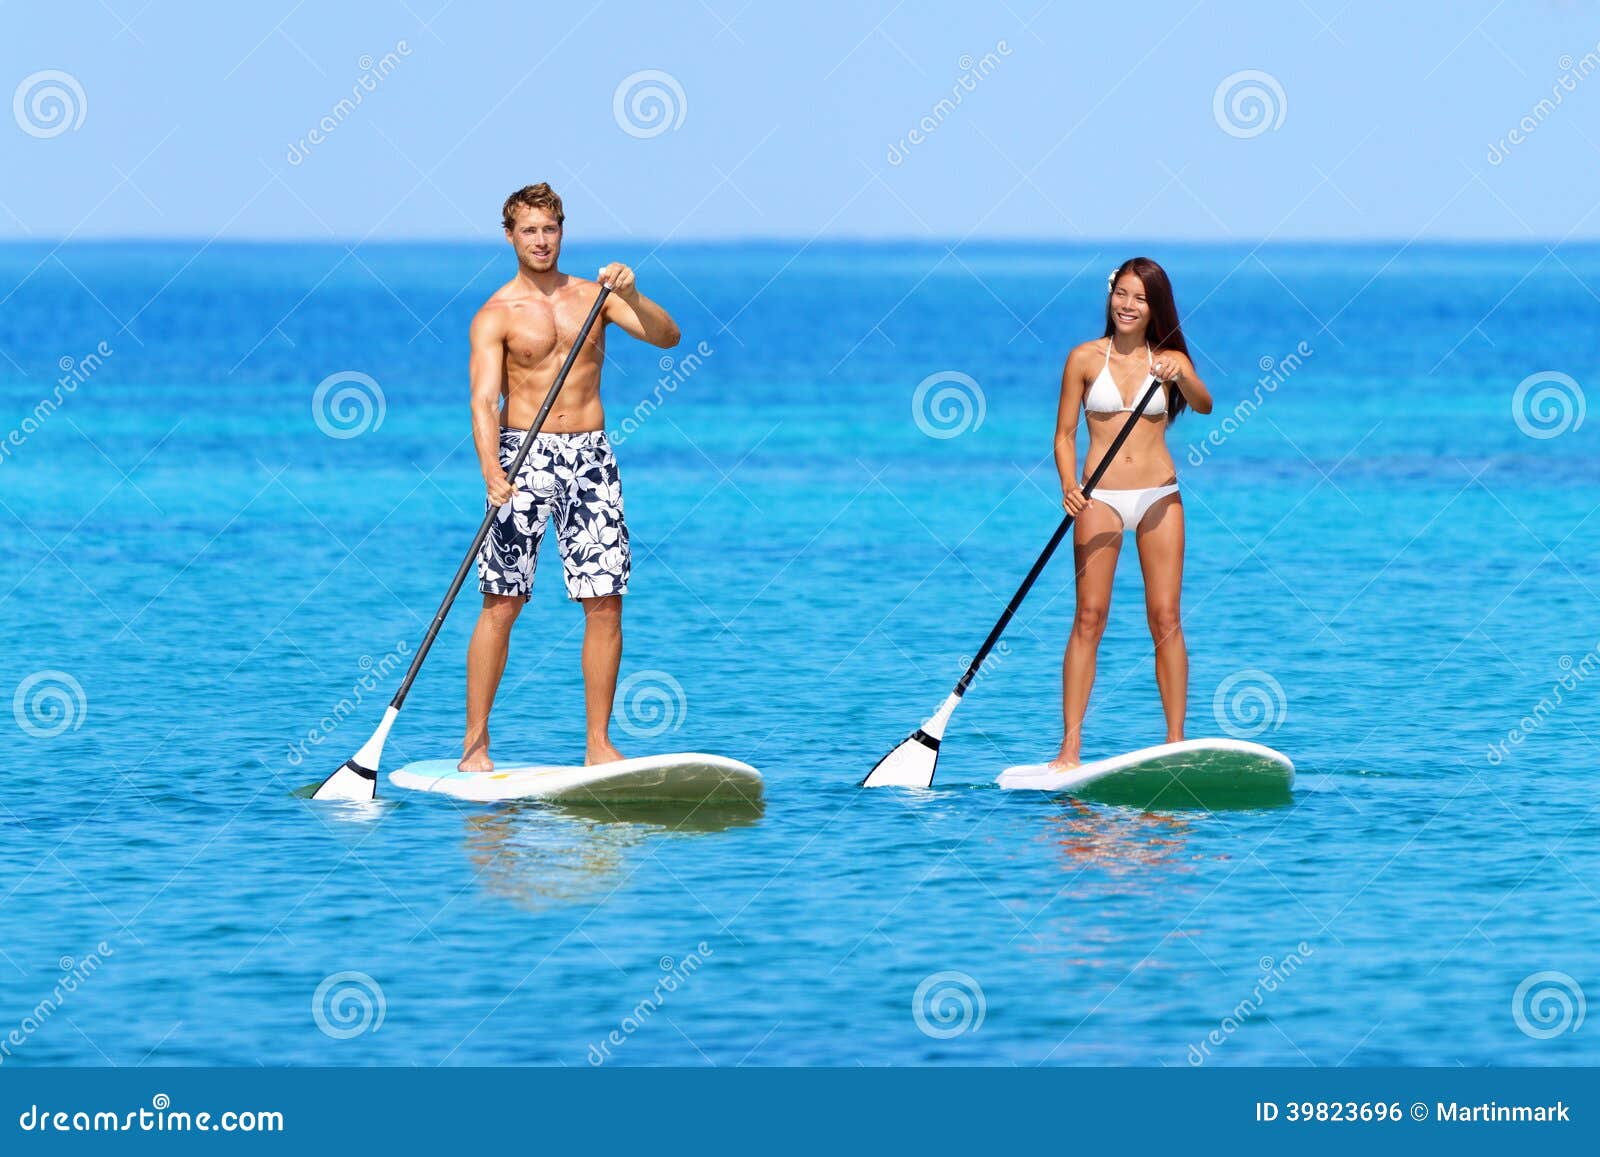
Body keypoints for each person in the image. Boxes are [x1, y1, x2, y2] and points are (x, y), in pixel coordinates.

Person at [461, 183, 680, 772]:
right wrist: (491, 469)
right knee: (502, 601)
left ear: (562, 231)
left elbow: (668, 337)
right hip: (520, 458)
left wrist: (635, 293)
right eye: (529, 230)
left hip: (590, 456)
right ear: (510, 236)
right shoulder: (495, 314)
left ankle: (598, 745)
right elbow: (484, 401)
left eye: (549, 229)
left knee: (605, 601)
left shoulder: (596, 297)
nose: (540, 240)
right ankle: (475, 745)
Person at [1051, 257, 1213, 769]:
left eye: (1140, 298)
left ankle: (1174, 742)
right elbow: (1064, 435)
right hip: (1097, 498)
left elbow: (1205, 406)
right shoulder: (1082, 358)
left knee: (1165, 617)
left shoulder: (1168, 361)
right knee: (1089, 618)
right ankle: (1071, 748)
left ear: (1154, 308)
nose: (1128, 305)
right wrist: (1068, 485)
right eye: (1122, 293)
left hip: (1158, 496)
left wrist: (1183, 372)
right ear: (1110, 296)